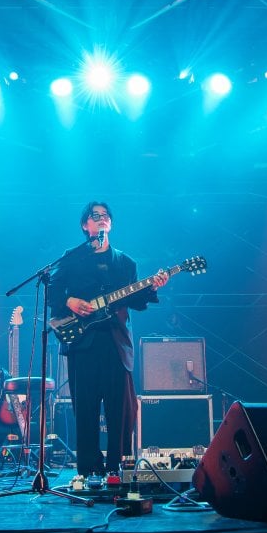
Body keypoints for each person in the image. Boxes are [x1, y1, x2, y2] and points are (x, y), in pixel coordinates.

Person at [48, 201, 168, 479]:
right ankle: (89, 471)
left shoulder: (126, 263)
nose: (101, 219)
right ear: (85, 224)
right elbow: (51, 292)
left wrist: (152, 288)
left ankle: (118, 469)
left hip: (116, 342)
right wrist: (69, 300)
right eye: (95, 215)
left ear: (110, 224)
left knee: (121, 410)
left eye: (105, 216)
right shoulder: (71, 258)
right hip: (82, 342)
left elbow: (136, 302)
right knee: (85, 409)